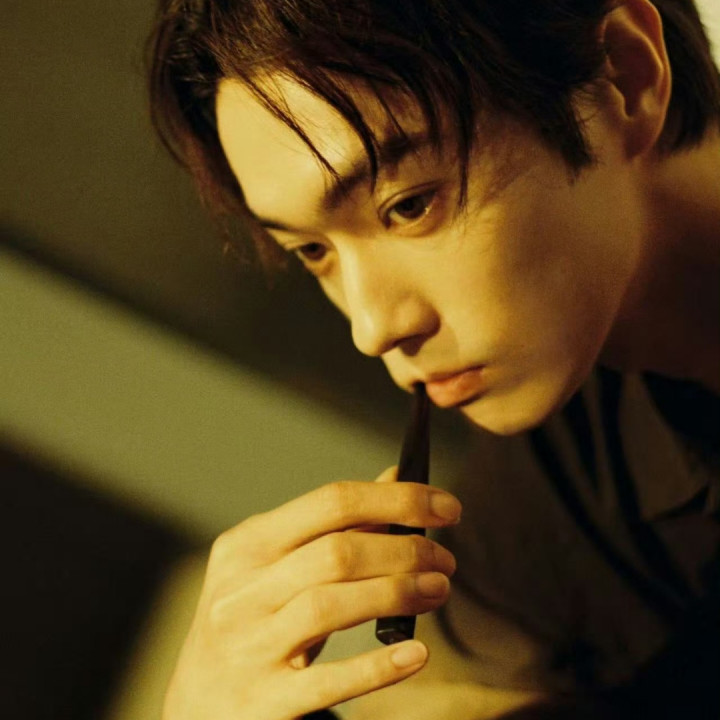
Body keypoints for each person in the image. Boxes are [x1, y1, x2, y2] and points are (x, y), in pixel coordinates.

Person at [146, 0, 720, 718]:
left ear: (624, 77)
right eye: (313, 251)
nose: (373, 327)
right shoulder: (568, 477)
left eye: (410, 205)